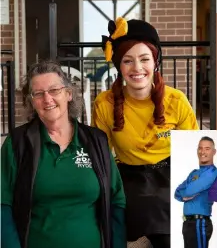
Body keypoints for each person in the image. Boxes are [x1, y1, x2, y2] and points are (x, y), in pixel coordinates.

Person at [91, 17, 199, 248]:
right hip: (130, 177)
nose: (137, 68)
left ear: (155, 62)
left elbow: (193, 154)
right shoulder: (105, 104)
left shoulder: (176, 100)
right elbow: (100, 156)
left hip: (171, 173)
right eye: (127, 61)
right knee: (150, 208)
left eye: (144, 59)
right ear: (119, 66)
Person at [1, 60, 126, 248]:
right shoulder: (18, 143)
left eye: (54, 90)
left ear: (68, 94)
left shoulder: (95, 141)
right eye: (38, 94)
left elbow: (117, 200)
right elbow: (3, 203)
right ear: (32, 101)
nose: (47, 99)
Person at [174, 136, 217, 248]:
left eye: (207, 148)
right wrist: (183, 196)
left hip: (200, 223)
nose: (203, 151)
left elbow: (188, 191)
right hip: (188, 223)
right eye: (200, 148)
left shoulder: (212, 172)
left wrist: (185, 193)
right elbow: (176, 192)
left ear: (214, 152)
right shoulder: (194, 173)